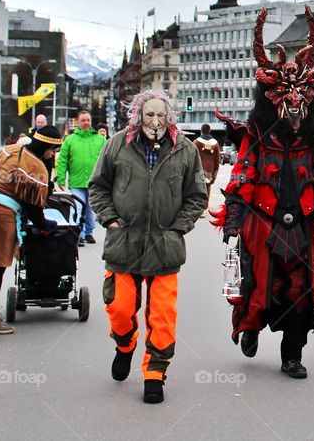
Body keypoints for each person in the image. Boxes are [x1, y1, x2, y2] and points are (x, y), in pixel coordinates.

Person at [210, 5, 314, 380]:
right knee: (257, 284)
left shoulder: (312, 136)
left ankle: (292, 355)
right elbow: (242, 176)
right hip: (262, 222)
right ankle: (249, 327)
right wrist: (234, 217)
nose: (294, 105)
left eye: (300, 96)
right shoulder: (257, 134)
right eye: (286, 95)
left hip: (299, 224)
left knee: (300, 289)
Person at [88, 90, 208, 404]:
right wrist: (110, 219)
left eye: (161, 115)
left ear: (169, 117)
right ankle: (124, 345)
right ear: (139, 115)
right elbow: (98, 187)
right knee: (120, 308)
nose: (155, 121)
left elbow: (197, 196)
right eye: (149, 114)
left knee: (163, 316)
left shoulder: (185, 150)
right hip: (123, 244)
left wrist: (179, 227)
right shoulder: (117, 144)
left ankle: (154, 372)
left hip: (165, 248)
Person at [0, 125, 63, 335]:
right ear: (48, 146)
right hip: (2, 214)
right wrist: (46, 226)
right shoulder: (36, 167)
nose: (53, 155)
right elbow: (34, 207)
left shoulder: (11, 150)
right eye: (54, 151)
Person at [56, 110, 106, 246]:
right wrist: (60, 178)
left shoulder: (100, 140)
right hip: (76, 182)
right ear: (77, 122)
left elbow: (107, 160)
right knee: (77, 208)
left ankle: (89, 232)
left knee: (91, 210)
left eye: (88, 120)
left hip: (95, 182)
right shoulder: (70, 140)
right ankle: (79, 233)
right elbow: (62, 160)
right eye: (83, 120)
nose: (86, 122)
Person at [193, 123, 221, 206]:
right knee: (207, 188)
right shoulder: (215, 144)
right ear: (210, 131)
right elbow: (217, 161)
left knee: (197, 189)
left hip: (198, 170)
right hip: (210, 170)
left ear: (201, 131)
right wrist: (214, 174)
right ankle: (205, 207)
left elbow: (191, 157)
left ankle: (198, 207)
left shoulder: (196, 142)